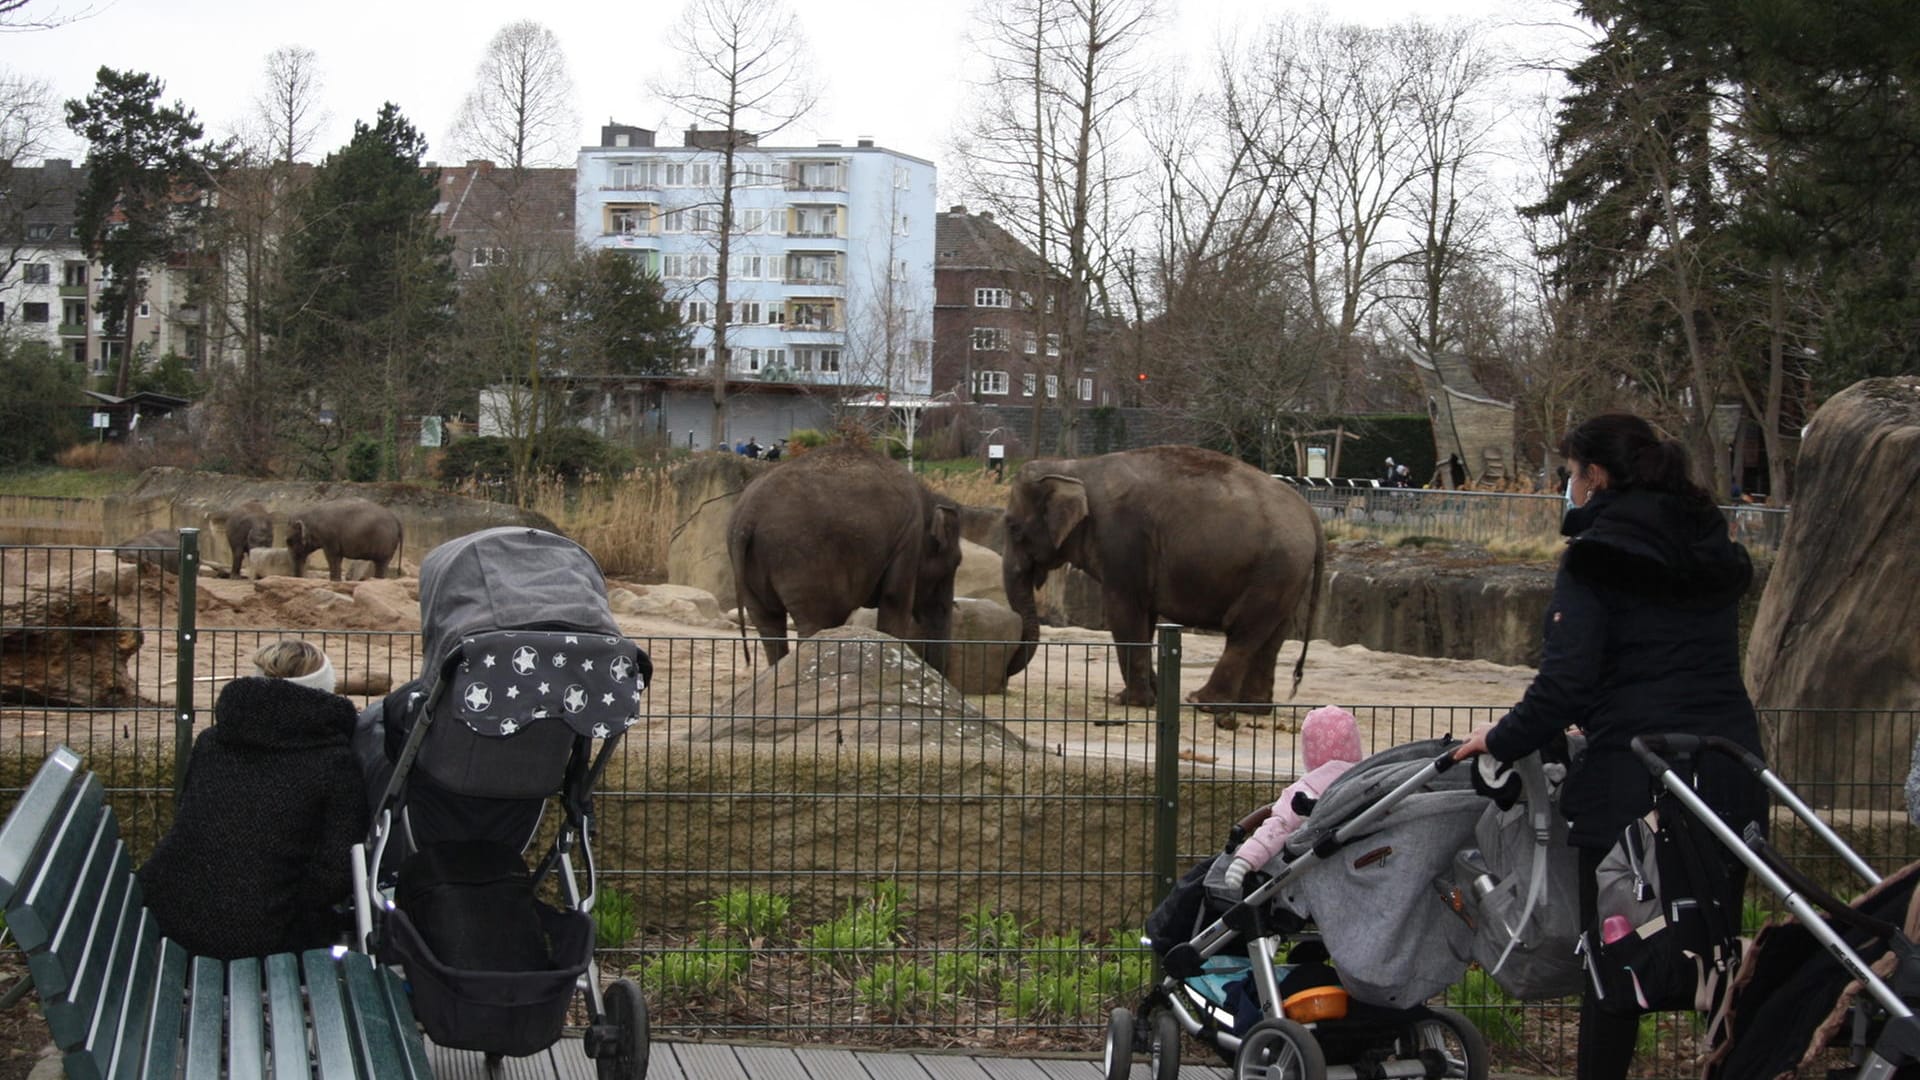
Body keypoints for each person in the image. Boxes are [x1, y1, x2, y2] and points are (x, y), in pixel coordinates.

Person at [1449, 412, 1765, 1080]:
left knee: (1615, 960)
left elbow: (1564, 681)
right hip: (1727, 767)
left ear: (1594, 475)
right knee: (1713, 948)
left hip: (1636, 782)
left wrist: (1500, 739)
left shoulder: (1597, 558)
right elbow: (1667, 659)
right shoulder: (1710, 545)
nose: (1568, 489)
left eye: (1570, 475)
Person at [138, 640, 370, 960]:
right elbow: (337, 871)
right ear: (325, 689)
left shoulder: (211, 742)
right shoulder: (334, 763)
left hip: (172, 920)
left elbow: (189, 821)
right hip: (259, 935)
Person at [1222, 706, 1364, 891]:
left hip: (1312, 874)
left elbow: (1278, 826)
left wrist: (1245, 859)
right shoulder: (1369, 780)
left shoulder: (1307, 790)